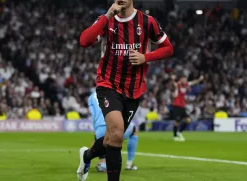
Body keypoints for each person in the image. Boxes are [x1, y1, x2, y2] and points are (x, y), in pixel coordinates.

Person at [78, 0, 174, 180]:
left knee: (112, 138)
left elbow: (168, 48)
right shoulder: (105, 21)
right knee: (116, 132)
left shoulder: (147, 22)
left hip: (133, 90)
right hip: (108, 85)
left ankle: (86, 156)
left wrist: (146, 57)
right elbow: (84, 41)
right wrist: (107, 16)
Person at [84, 91, 138, 174]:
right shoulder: (115, 91)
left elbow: (93, 115)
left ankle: (101, 163)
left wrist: (96, 131)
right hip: (116, 127)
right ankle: (129, 163)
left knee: (100, 139)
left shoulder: (91, 97)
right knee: (134, 130)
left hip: (100, 129)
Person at [171, 74, 204, 141]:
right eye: (184, 79)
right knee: (177, 121)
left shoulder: (186, 84)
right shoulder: (178, 85)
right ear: (181, 79)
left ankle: (179, 132)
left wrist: (199, 79)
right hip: (177, 105)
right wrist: (172, 79)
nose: (186, 80)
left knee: (188, 120)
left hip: (182, 106)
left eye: (186, 79)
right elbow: (173, 85)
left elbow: (193, 82)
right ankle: (174, 136)